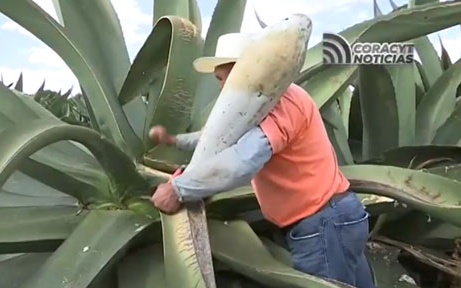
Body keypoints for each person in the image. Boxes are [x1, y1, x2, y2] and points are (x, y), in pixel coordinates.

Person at [149, 32, 375, 288]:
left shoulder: (282, 104)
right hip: (335, 220)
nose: (223, 88)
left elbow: (243, 161)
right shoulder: (255, 105)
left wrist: (178, 190)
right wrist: (175, 141)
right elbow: (219, 136)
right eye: (219, 79)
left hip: (324, 225)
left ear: (252, 73)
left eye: (230, 78)